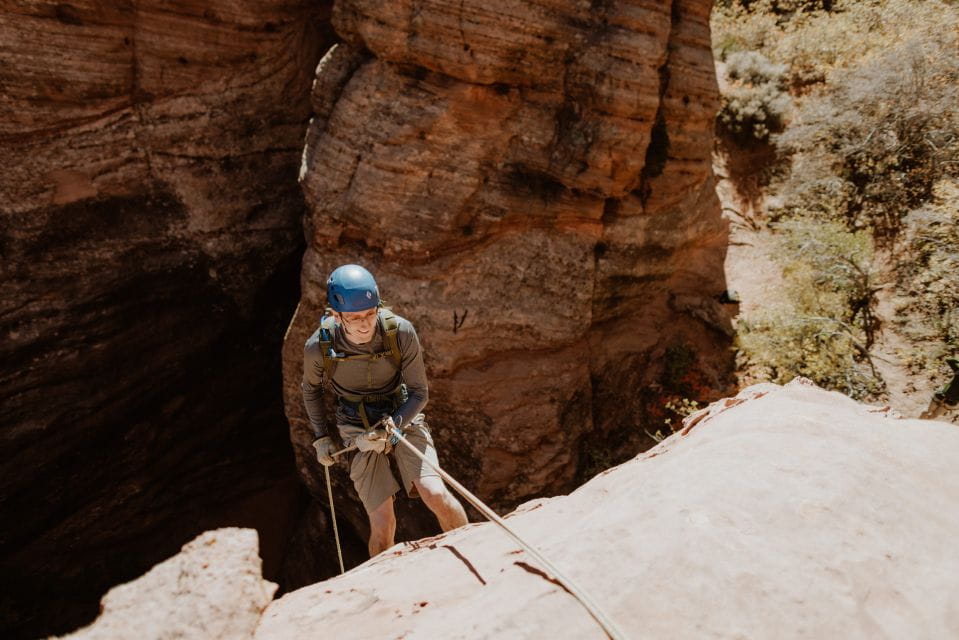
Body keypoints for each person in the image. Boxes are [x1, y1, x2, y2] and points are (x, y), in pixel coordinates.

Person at [301, 264, 468, 556]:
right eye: (353, 318)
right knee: (382, 524)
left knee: (436, 494)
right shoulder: (319, 346)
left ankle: (476, 550)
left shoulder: (400, 332)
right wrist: (321, 438)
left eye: (369, 314)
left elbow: (419, 393)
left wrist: (394, 427)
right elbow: (311, 390)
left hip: (403, 412)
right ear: (336, 315)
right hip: (356, 425)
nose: (364, 325)